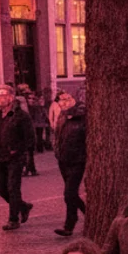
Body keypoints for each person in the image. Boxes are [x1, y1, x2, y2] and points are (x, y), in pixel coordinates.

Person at [0, 86, 35, 230]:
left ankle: (13, 219)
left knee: (13, 188)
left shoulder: (21, 115)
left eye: (4, 95)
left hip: (15, 158)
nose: (0, 98)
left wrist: (18, 150)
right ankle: (23, 206)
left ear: (11, 97)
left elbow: (29, 138)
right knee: (0, 188)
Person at [52, 92, 87, 236]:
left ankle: (82, 217)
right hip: (63, 159)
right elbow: (58, 135)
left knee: (69, 193)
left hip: (77, 159)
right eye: (61, 101)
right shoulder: (63, 115)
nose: (64, 103)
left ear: (73, 99)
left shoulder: (81, 115)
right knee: (70, 194)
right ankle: (71, 223)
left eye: (67, 99)